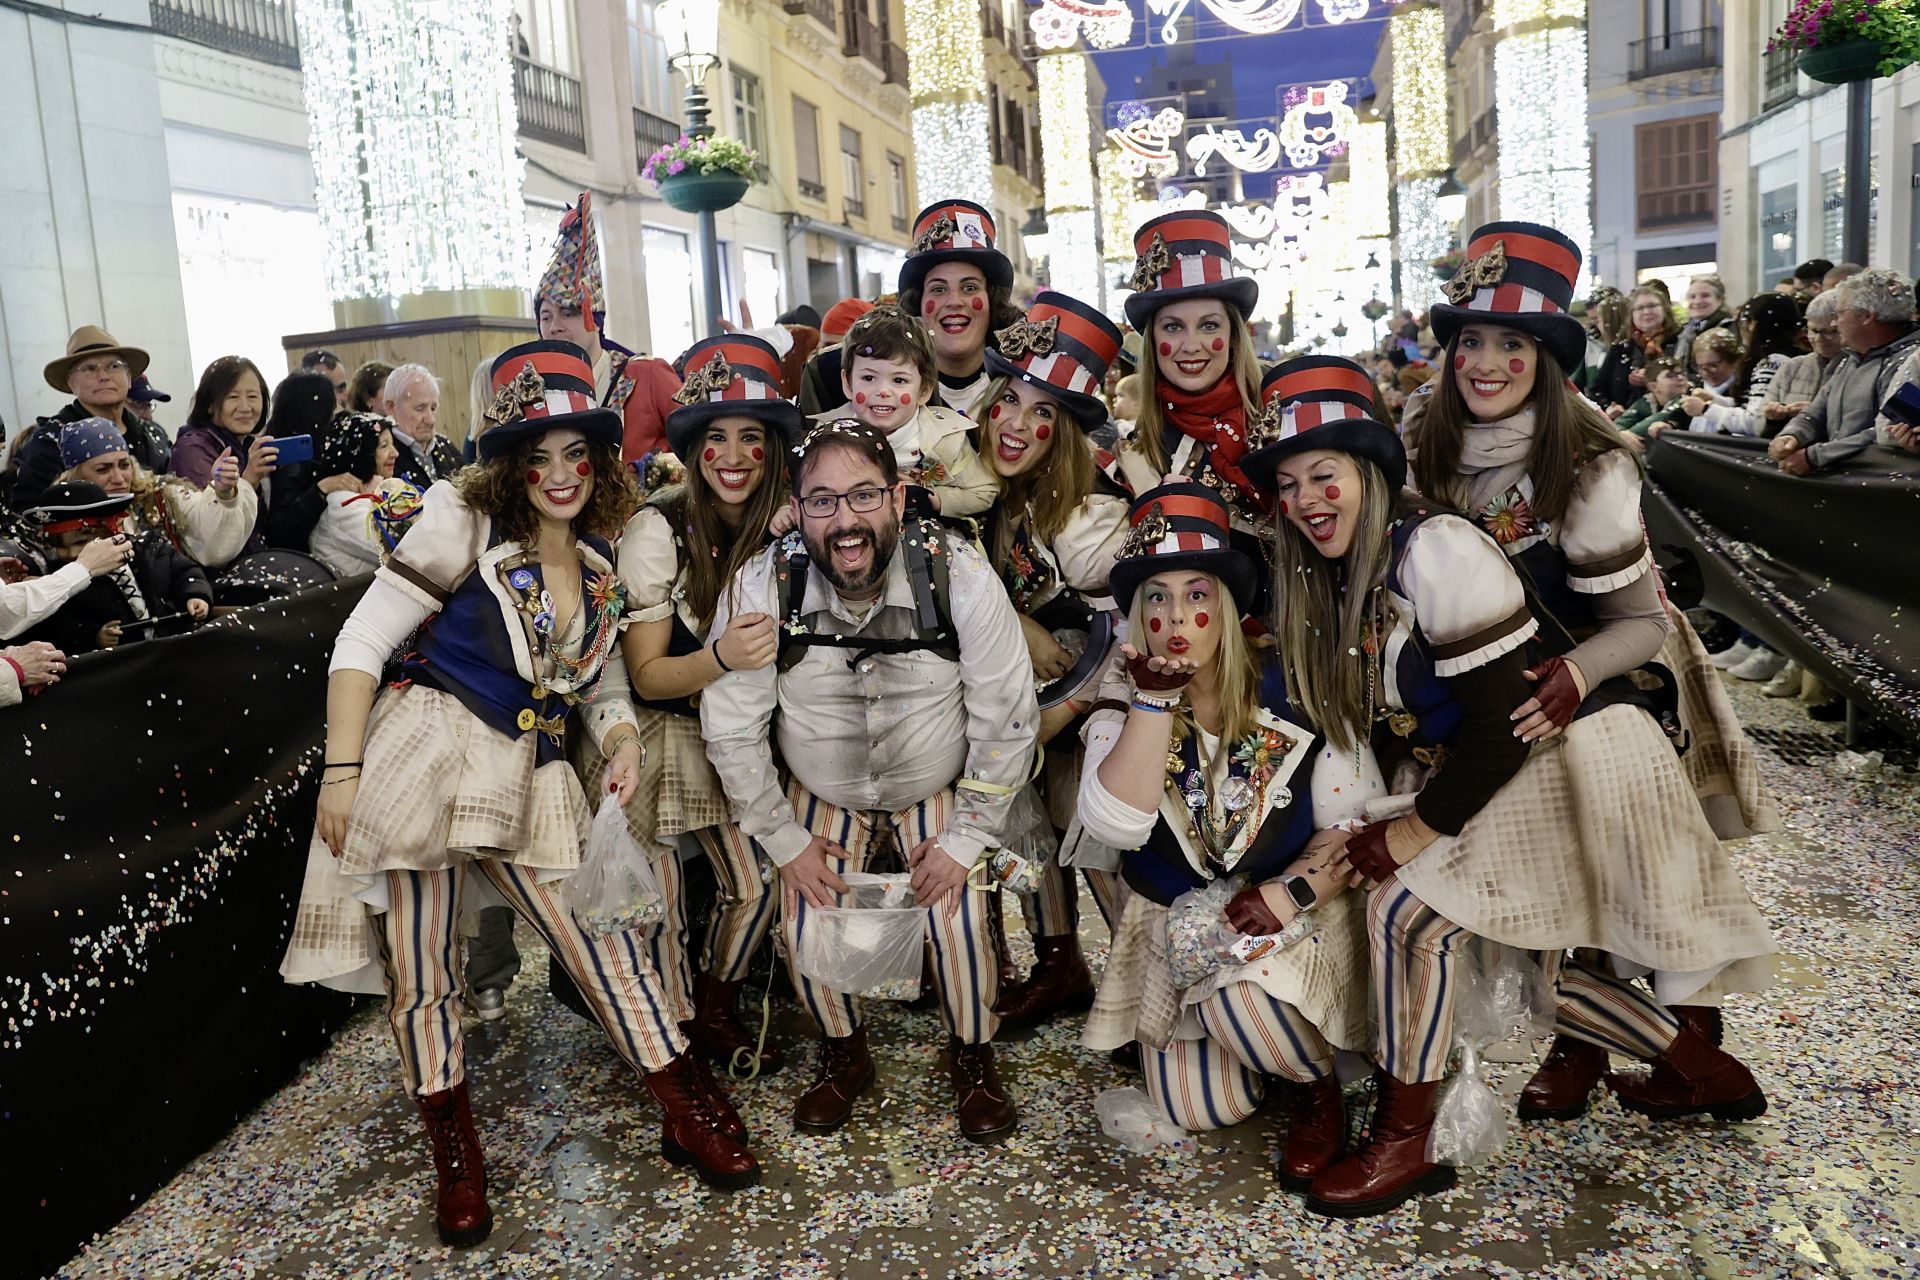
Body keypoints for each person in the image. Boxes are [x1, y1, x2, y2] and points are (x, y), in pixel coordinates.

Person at [281, 339, 760, 1249]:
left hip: (531, 769)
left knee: (601, 943)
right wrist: (342, 773)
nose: (560, 473)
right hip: (425, 749)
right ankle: (455, 1155)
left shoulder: (605, 563)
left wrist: (617, 739)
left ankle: (680, 1100)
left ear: (600, 459)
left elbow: (603, 687)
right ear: (506, 463)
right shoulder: (459, 519)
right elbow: (360, 641)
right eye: (537, 455)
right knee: (426, 976)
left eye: (576, 452)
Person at [699, 418, 1037, 1143]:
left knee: (962, 915)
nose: (844, 521)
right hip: (824, 790)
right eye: (822, 501)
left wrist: (967, 836)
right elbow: (731, 726)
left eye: (862, 496)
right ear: (796, 507)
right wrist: (784, 840)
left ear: (898, 496)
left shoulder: (960, 575)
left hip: (934, 781)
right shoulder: (764, 583)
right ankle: (843, 1050)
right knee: (803, 911)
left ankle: (971, 1055)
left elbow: (1007, 718)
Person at [1076, 475, 1373, 1187]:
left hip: (1291, 912)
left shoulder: (1293, 690)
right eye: (1157, 597)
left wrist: (1295, 891)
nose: (1177, 616)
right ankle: (1266, 1042)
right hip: (1175, 934)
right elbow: (1118, 823)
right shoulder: (1123, 711)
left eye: (1198, 594)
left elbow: (1355, 821)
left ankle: (1314, 1088)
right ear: (1136, 618)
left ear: (1228, 608)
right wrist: (1155, 697)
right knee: (1206, 1107)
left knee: (1240, 998)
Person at [598, 333, 802, 1074]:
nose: (733, 455)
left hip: (758, 733)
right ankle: (675, 1036)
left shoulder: (795, 520)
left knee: (759, 885)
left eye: (752, 436)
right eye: (714, 437)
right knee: (667, 899)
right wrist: (719, 658)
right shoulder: (658, 528)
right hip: (669, 730)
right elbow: (647, 675)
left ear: (776, 446)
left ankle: (717, 1005)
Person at [973, 291, 1131, 1028]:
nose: (1018, 424)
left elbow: (1123, 632)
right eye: (1010, 400)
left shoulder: (1091, 511)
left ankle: (1142, 992)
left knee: (1092, 832)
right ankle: (1057, 962)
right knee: (1022, 820)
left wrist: (1067, 708)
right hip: (1018, 706)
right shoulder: (977, 491)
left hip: (1096, 701)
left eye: (1045, 416)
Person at [1113, 210, 1270, 575]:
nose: (1192, 344)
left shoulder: (1281, 412)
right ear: (1153, 342)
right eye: (1172, 327)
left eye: (1209, 325)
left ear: (1233, 335)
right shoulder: (1139, 452)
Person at [798, 201, 1020, 421]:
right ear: (918, 303)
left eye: (969, 287)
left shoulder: (1025, 378)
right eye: (938, 288)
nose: (954, 301)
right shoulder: (834, 376)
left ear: (992, 299)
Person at [535, 192, 683, 465]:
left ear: (596, 319)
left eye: (569, 313)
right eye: (545, 317)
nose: (554, 327)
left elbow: (702, 442)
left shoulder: (647, 375)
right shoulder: (540, 396)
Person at [827, 304, 996, 518]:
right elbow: (799, 488)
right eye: (868, 378)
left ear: (924, 389)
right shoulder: (827, 436)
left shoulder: (946, 441)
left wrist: (930, 498)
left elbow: (984, 492)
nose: (883, 391)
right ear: (848, 384)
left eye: (899, 380)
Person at [21, 481, 212, 654]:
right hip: (120, 665)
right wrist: (94, 636)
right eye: (61, 548)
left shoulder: (150, 550)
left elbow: (185, 572)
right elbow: (60, 626)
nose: (72, 554)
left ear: (108, 532)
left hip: (174, 646)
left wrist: (195, 595)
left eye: (81, 543)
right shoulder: (59, 581)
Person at [52, 417, 254, 569]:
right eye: (103, 469)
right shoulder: (61, 522)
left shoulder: (160, 497)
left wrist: (223, 493)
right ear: (75, 476)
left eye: (124, 465)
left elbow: (213, 541)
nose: (119, 477)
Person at [1771, 268, 1920, 473]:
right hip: (1845, 481)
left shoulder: (1910, 362)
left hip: (1876, 488)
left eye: (1840, 313)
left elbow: (1886, 431)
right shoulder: (1850, 357)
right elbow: (1817, 411)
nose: (1834, 322)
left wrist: (1816, 456)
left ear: (1867, 316)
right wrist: (1792, 435)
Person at [11, 326, 172, 508]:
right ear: (71, 382)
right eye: (89, 368)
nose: (103, 376)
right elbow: (31, 512)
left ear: (129, 378)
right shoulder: (48, 441)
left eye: (114, 366)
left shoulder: (153, 435)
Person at [172, 356, 279, 556]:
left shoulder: (246, 446)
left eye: (253, 397)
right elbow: (214, 528)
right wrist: (250, 477)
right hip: (219, 577)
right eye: (233, 397)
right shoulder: (192, 448)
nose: (246, 407)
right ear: (210, 404)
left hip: (256, 560)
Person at [305, 412, 422, 577]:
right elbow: (401, 546)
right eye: (384, 446)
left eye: (392, 444)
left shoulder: (376, 490)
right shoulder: (340, 504)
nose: (395, 453)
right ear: (361, 456)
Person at [1680, 294, 1803, 437]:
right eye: (1700, 366)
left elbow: (1754, 422)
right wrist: (1715, 400)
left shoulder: (1772, 363)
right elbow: (1750, 408)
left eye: (1713, 365)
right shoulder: (1793, 356)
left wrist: (1705, 409)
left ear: (1752, 324)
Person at [260, 371, 354, 552]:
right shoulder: (292, 461)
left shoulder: (314, 452)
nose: (335, 416)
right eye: (331, 409)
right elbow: (281, 533)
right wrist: (320, 490)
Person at [1589, 286, 1678, 415]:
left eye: (1652, 306)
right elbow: (1597, 390)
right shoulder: (1621, 347)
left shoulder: (1680, 341)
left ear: (1665, 309)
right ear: (1632, 314)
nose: (1646, 311)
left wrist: (1651, 378)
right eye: (1640, 308)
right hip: (1624, 421)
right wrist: (1609, 407)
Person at [381, 364, 464, 489]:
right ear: (391, 407)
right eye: (420, 408)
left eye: (433, 408)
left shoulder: (445, 445)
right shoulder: (384, 457)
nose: (431, 420)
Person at [1614, 358, 1690, 437]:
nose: (1681, 378)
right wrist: (1622, 434)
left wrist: (1629, 436)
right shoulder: (1645, 402)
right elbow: (1619, 424)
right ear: (1653, 386)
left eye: (1682, 373)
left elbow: (1668, 414)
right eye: (1671, 375)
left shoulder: (1687, 400)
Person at [1672, 274, 1730, 378]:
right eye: (1692, 297)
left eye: (1705, 296)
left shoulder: (1728, 328)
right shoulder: (1685, 331)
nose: (1697, 301)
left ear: (1720, 300)